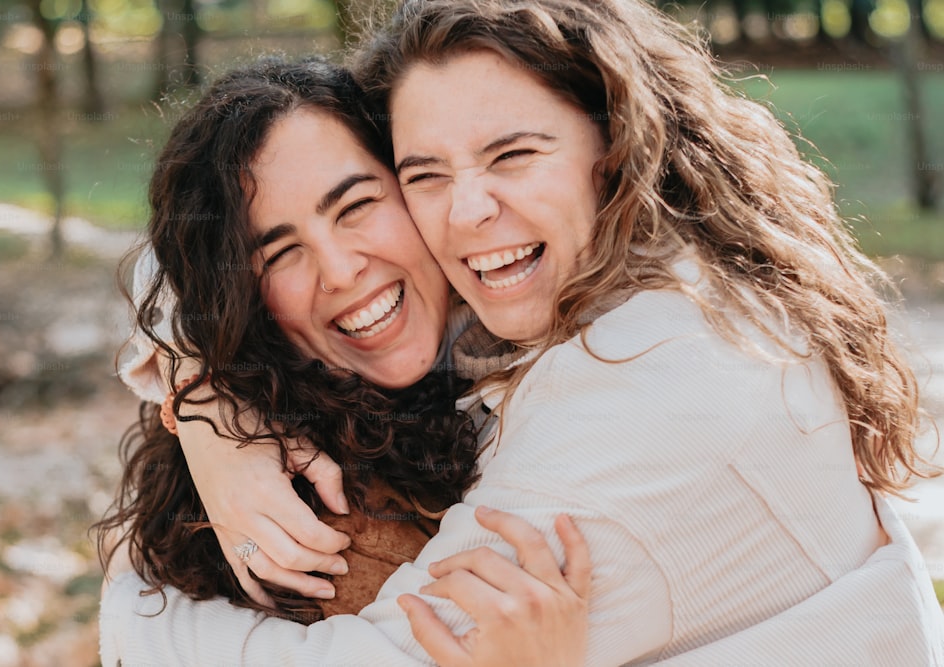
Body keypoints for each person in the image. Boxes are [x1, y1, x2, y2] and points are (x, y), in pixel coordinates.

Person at [102, 0, 944, 664]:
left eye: (512, 154)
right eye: (424, 172)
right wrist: (207, 407)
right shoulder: (586, 268)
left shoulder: (649, 391)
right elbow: (187, 247)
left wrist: (133, 610)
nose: (467, 211)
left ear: (614, 143)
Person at [98, 54, 591, 664]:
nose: (339, 270)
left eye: (356, 206)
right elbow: (170, 268)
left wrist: (198, 394)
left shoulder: (529, 296)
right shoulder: (319, 502)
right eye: (280, 254)